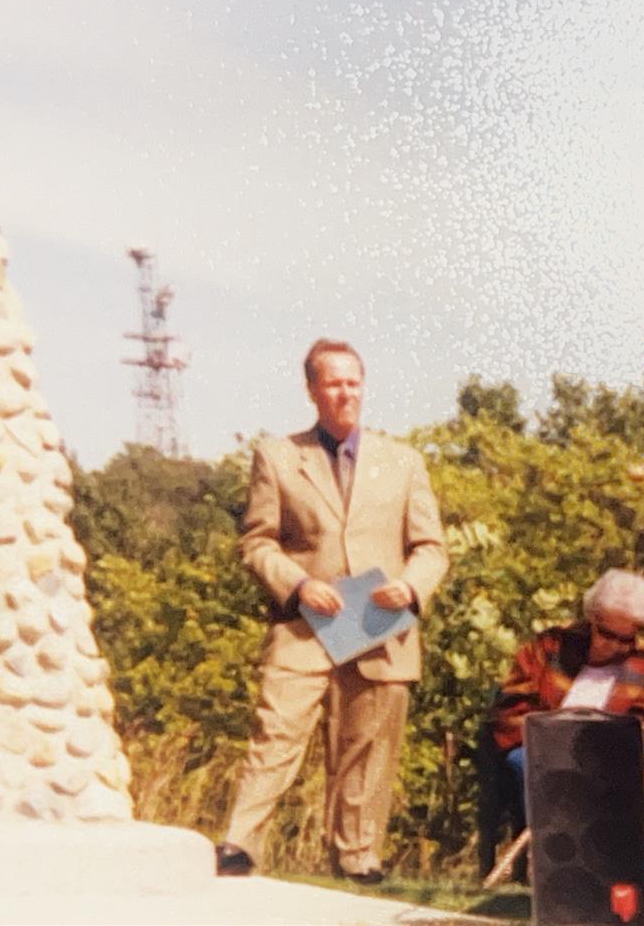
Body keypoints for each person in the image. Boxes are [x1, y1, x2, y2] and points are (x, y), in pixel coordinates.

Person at [217, 339, 449, 884]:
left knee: (367, 748)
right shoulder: (278, 456)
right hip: (304, 627)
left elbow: (431, 548)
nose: (346, 393)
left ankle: (356, 855)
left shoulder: (404, 462)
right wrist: (298, 585)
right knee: (276, 732)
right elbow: (257, 542)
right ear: (312, 390)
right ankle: (240, 845)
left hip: (378, 625)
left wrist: (410, 588)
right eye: (334, 383)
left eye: (353, 382)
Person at [487, 569, 644, 804]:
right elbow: (513, 704)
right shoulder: (551, 646)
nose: (614, 646)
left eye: (624, 639)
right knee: (525, 764)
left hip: (612, 766)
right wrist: (551, 744)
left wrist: (597, 754)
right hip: (542, 753)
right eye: (606, 634)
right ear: (593, 620)